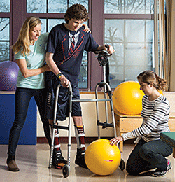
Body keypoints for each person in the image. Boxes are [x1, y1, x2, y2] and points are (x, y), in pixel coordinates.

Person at [45, 3, 114, 169]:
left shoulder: (84, 32)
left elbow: (95, 47)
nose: (77, 25)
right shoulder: (57, 31)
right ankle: (56, 153)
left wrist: (106, 47)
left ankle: (81, 153)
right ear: (68, 18)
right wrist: (59, 75)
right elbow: (49, 58)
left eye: (81, 22)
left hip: (74, 80)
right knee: (54, 115)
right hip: (56, 78)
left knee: (77, 114)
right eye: (75, 21)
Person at [6, 16, 51, 171]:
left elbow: (60, 31)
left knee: (47, 120)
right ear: (28, 30)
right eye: (35, 31)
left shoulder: (43, 37)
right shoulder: (19, 47)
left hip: (41, 87)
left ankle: (55, 153)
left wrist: (83, 29)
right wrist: (44, 69)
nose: (38, 34)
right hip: (24, 87)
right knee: (18, 122)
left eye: (39, 30)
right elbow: (25, 73)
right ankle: (10, 158)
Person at [110, 71, 173, 177]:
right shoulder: (145, 99)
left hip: (164, 141)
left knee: (145, 150)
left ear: (151, 85)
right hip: (147, 140)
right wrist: (139, 140)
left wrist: (123, 137)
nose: (140, 89)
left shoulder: (162, 104)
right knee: (131, 169)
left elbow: (148, 128)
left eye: (142, 85)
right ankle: (152, 162)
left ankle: (164, 164)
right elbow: (144, 123)